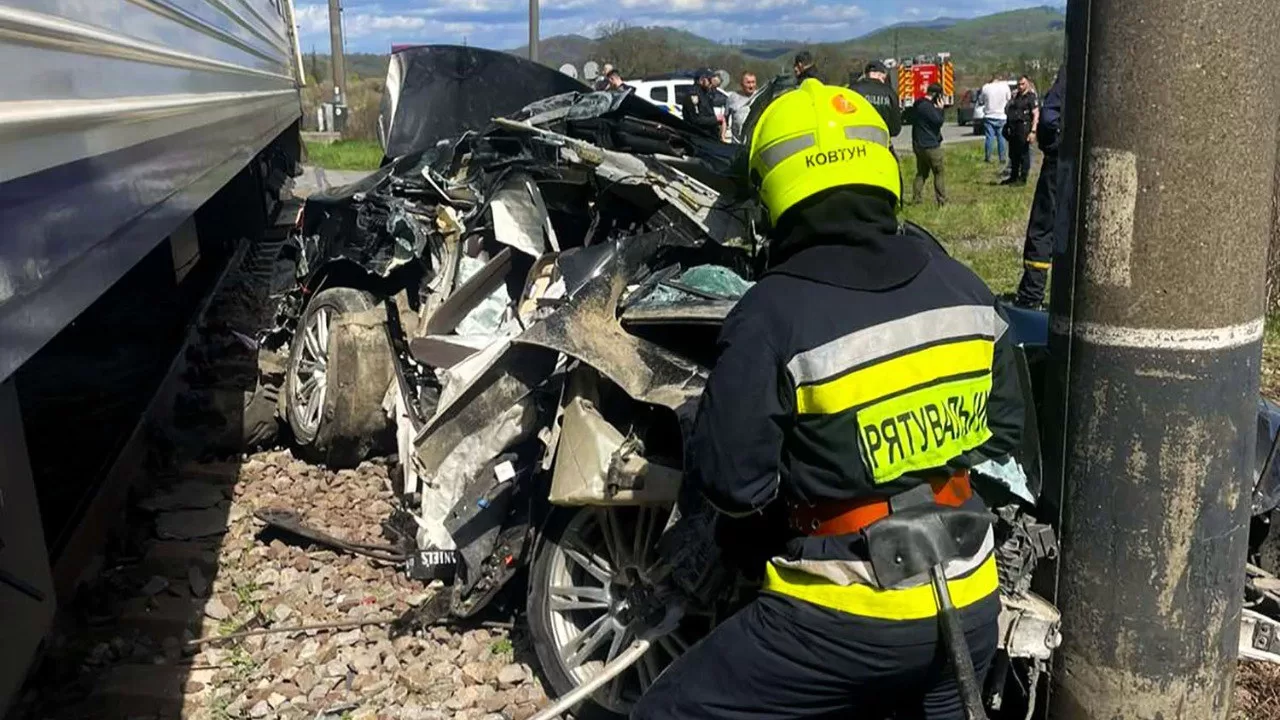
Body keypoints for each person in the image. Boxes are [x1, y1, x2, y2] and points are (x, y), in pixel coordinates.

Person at [632, 78, 1024, 720]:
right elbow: (1002, 433)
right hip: (973, 596)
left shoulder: (771, 313)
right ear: (884, 172)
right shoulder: (968, 289)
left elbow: (734, 486)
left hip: (844, 616)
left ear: (770, 199)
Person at [1014, 64, 1065, 308]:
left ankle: (1031, 296)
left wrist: (1051, 146)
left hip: (1062, 160)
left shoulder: (1076, 64)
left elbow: (1048, 118)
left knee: (1043, 226)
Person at [911, 83, 947, 206]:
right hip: (930, 145)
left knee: (921, 173)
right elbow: (938, 121)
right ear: (936, 94)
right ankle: (941, 200)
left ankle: (917, 199)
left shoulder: (918, 104)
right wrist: (940, 110)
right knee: (938, 172)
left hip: (918, 144)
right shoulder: (928, 107)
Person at [849, 60, 902, 140]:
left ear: (866, 75)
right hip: (880, 142)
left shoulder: (852, 90)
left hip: (857, 143)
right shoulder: (890, 93)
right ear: (881, 75)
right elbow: (895, 129)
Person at [1003, 75, 1038, 185]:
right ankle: (1013, 176)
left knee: (1024, 153)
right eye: (1019, 84)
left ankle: (1023, 178)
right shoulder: (1015, 97)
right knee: (1013, 153)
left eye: (1023, 84)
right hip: (1013, 128)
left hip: (1024, 127)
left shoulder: (1031, 97)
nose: (1020, 86)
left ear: (1027, 83)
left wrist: (1033, 131)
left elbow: (1036, 114)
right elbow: (1007, 110)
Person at [978, 72, 1011, 165]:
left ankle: (988, 157)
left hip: (989, 115)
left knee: (989, 137)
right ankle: (1002, 158)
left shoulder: (986, 87)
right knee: (1001, 137)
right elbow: (1009, 99)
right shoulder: (1005, 86)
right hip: (1001, 115)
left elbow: (981, 100)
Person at [681, 68, 721, 139]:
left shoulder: (706, 93)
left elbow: (708, 112)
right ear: (702, 80)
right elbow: (695, 119)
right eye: (709, 80)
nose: (711, 83)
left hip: (709, 135)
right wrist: (715, 119)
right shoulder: (693, 95)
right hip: (698, 135)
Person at [726, 72, 758, 142]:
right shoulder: (732, 97)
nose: (751, 85)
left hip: (753, 142)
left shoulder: (760, 97)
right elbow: (725, 119)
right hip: (737, 143)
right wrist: (722, 135)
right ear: (741, 84)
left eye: (753, 82)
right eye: (748, 83)